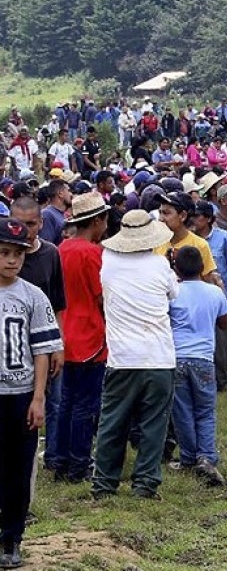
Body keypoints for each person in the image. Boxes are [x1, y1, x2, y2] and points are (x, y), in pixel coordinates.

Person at [92, 210, 178, 500]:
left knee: (113, 422)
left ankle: (104, 484)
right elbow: (172, 295)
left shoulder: (107, 263)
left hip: (122, 357)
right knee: (154, 424)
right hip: (159, 357)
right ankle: (145, 484)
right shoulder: (160, 265)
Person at [0, 218, 63, 569]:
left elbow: (42, 350)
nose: (11, 261)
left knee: (19, 469)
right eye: (5, 253)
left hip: (21, 393)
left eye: (18, 255)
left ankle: (12, 537)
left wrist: (38, 397)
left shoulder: (32, 296)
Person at [53, 193, 109, 483]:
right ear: (97, 221)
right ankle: (78, 465)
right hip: (90, 335)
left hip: (65, 334)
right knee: (86, 406)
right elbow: (101, 296)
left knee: (67, 402)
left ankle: (60, 461)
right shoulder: (93, 253)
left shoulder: (61, 249)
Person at [11, 197, 67, 475]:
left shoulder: (51, 254)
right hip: (10, 348)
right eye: (17, 223)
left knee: (52, 400)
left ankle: (53, 456)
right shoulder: (4, 256)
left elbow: (58, 302)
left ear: (41, 224)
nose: (24, 229)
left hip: (44, 342)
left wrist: (59, 344)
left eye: (30, 224)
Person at [168, 246, 227, 485]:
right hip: (204, 359)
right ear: (202, 267)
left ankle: (188, 457)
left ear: (177, 269)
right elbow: (226, 324)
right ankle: (206, 456)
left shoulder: (173, 293)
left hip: (178, 357)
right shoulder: (214, 293)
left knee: (182, 411)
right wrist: (222, 291)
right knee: (205, 411)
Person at [193, 202, 227, 391]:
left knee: (223, 346)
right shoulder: (189, 241)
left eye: (198, 216)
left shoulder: (223, 238)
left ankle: (223, 381)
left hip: (221, 300)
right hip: (196, 303)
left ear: (208, 218)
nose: (193, 219)